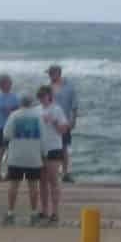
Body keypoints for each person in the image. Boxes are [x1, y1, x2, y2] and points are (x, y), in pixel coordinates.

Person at [1, 93, 45, 225]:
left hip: (16, 156)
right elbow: (43, 137)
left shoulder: (14, 115)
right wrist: (44, 153)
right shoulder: (38, 116)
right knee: (33, 186)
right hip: (33, 157)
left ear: (20, 103)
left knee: (13, 185)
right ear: (32, 103)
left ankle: (10, 212)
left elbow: (6, 134)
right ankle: (33, 213)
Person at [36, 83, 68, 224]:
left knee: (53, 181)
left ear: (50, 96)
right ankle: (44, 210)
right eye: (40, 96)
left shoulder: (57, 110)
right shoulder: (36, 110)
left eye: (44, 96)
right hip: (39, 149)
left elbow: (63, 130)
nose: (42, 98)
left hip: (54, 148)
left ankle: (55, 211)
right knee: (41, 182)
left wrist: (53, 122)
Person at [46, 64, 80, 181]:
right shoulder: (48, 87)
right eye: (49, 74)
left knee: (64, 147)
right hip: (50, 122)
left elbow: (75, 104)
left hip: (64, 121)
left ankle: (65, 173)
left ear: (58, 73)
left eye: (51, 73)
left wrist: (74, 120)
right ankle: (54, 172)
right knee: (52, 147)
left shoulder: (69, 87)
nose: (49, 76)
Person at [0, 74, 16, 181]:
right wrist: (14, 109)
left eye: (10, 82)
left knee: (11, 150)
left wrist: (14, 109)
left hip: (13, 127)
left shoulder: (14, 96)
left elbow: (17, 109)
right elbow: (6, 111)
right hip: (2, 127)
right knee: (1, 150)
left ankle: (9, 172)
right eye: (8, 82)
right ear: (2, 85)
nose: (11, 84)